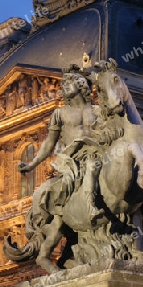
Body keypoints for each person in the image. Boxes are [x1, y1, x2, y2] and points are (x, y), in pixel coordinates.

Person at [18, 68, 104, 223]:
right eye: (62, 84)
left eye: (68, 83)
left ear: (80, 84)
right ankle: (90, 206)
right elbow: (49, 142)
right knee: (92, 165)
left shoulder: (97, 110)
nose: (63, 86)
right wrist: (33, 164)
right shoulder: (60, 113)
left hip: (98, 152)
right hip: (73, 158)